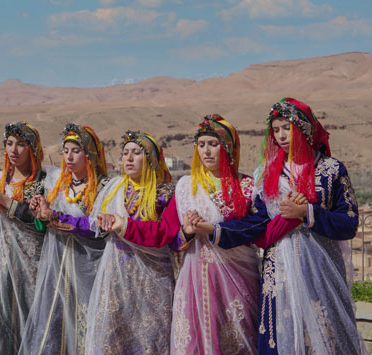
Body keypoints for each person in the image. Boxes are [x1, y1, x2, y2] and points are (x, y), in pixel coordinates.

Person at [191, 98, 364, 354]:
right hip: (278, 273)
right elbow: (258, 225)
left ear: (304, 128)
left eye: (287, 127)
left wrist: (307, 213)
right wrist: (215, 230)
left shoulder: (331, 170)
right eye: (276, 129)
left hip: (321, 270)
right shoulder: (267, 173)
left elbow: (348, 223)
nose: (281, 135)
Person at [101, 115, 260, 354]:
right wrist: (186, 232)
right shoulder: (186, 186)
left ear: (229, 148)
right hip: (194, 279)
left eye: (213, 144)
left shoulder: (247, 186)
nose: (206, 151)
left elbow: (257, 229)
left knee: (237, 341)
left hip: (236, 280)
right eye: (201, 144)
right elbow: (167, 235)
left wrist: (214, 230)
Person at [0, 122, 56, 354]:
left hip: (32, 264)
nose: (13, 150)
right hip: (1, 262)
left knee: (31, 322)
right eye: (9, 144)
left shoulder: (45, 183)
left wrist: (4, 201)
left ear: (33, 150)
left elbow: (40, 223)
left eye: (21, 145)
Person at [19, 123, 110, 355]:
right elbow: (44, 225)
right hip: (57, 267)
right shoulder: (56, 184)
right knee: (53, 322)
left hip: (87, 268)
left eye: (76, 150)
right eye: (66, 150)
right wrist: (40, 212)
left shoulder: (103, 187)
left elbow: (98, 228)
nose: (69, 156)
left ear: (89, 154)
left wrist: (57, 216)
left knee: (84, 323)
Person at [85, 130, 174, 355]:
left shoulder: (165, 193)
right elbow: (94, 226)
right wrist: (105, 225)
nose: (129, 158)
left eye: (137, 153)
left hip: (152, 281)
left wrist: (124, 225)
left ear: (151, 159)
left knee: (150, 340)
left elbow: (166, 233)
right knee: (113, 340)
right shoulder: (113, 189)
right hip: (116, 278)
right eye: (125, 153)